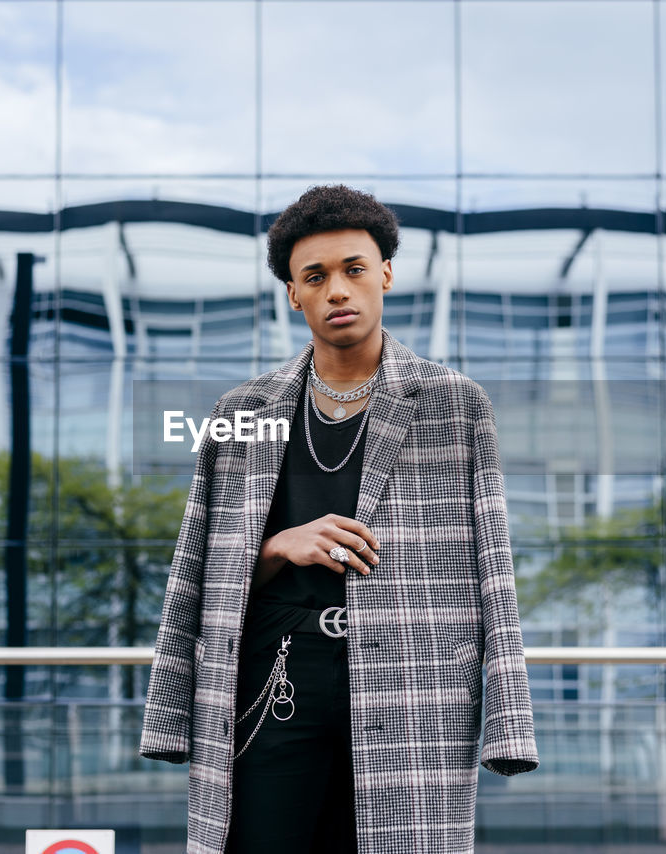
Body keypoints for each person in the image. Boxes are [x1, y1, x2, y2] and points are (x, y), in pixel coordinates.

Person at [140, 185, 538, 854]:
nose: (337, 290)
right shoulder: (242, 408)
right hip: (274, 677)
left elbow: (494, 571)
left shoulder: (455, 404)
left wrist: (509, 723)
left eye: (354, 269)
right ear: (294, 294)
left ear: (384, 272)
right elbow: (194, 572)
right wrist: (276, 548)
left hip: (412, 681)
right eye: (315, 277)